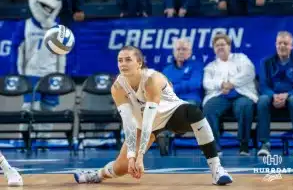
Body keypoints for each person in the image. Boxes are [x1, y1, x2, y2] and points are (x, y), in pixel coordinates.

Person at [73, 45, 233, 185]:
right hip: (143, 124)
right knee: (121, 167)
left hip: (171, 114)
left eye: (128, 59)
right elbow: (128, 124)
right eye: (120, 60)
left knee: (194, 112)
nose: (123, 64)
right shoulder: (117, 87)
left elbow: (150, 119)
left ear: (139, 63)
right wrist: (131, 159)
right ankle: (97, 175)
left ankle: (217, 169)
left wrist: (140, 158)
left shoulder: (151, 79)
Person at [202, 34, 258, 156]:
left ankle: (244, 145)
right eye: (217, 45)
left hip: (242, 94)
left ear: (229, 46)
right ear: (214, 49)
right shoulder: (210, 66)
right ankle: (214, 147)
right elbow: (207, 83)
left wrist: (231, 84)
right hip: (221, 95)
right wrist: (222, 84)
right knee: (209, 109)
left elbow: (249, 73)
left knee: (244, 106)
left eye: (223, 44)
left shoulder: (241, 58)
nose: (220, 47)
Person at [257, 31, 293, 156]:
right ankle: (265, 144)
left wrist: (288, 94)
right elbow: (263, 85)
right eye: (279, 43)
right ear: (275, 45)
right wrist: (273, 95)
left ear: (292, 46)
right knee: (262, 100)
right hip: (272, 97)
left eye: (285, 44)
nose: (282, 46)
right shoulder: (266, 62)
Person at [163, 38, 203, 106]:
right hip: (171, 100)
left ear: (190, 52)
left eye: (184, 49)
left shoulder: (197, 66)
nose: (181, 52)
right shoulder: (166, 70)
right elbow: (164, 89)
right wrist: (184, 84)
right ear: (174, 52)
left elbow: (195, 84)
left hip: (190, 100)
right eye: (178, 49)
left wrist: (174, 87)